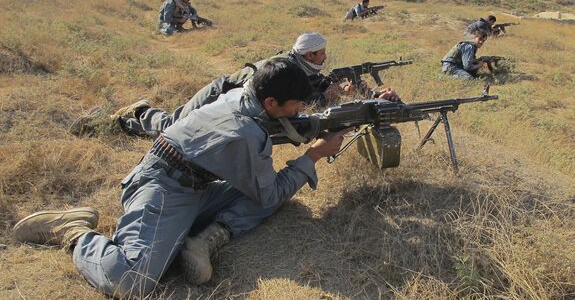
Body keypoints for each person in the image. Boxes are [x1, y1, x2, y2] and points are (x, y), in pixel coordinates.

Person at [13, 59, 349, 298]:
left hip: (192, 182)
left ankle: (205, 238)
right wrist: (313, 155)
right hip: (163, 188)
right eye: (296, 105)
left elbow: (270, 140)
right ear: (271, 101)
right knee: (131, 281)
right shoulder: (246, 133)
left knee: (264, 194)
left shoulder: (243, 96)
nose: (300, 109)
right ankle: (73, 231)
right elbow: (268, 191)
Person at [80, 32, 399, 138]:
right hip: (219, 96)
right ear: (307, 54)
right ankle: (119, 120)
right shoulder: (282, 66)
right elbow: (262, 97)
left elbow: (328, 85)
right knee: (173, 130)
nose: (324, 59)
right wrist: (320, 94)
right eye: (320, 54)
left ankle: (141, 111)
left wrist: (372, 94)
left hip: (229, 103)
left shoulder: (303, 68)